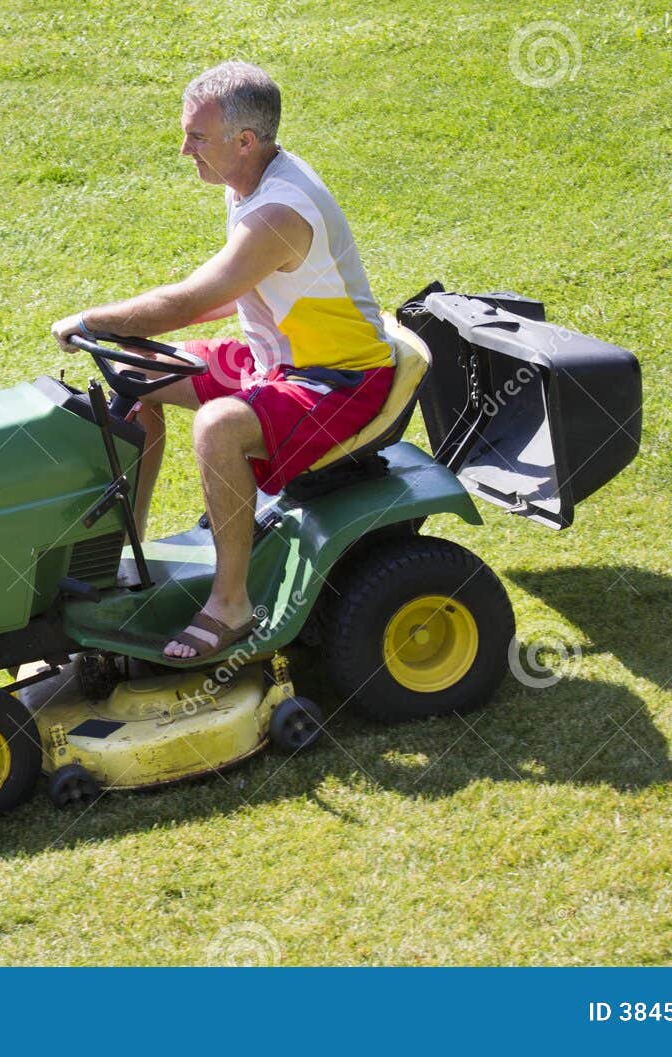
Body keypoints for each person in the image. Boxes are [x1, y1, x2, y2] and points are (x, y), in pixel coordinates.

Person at [52, 60, 401, 660]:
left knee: (219, 427)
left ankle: (231, 604)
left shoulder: (278, 212)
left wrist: (89, 321)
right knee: (136, 373)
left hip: (338, 380)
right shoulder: (248, 182)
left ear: (244, 141)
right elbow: (233, 289)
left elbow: (191, 301)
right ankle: (122, 554)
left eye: (197, 136)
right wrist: (135, 335)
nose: (184, 149)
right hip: (278, 360)